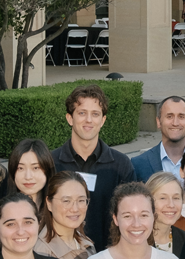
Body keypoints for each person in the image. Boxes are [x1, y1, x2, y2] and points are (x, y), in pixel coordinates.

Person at [52, 84, 138, 247]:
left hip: (108, 257)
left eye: (95, 114)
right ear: (70, 118)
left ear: (103, 120)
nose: (89, 120)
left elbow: (129, 215)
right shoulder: (51, 162)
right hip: (58, 256)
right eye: (82, 113)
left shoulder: (121, 165)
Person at [129, 95, 185, 180]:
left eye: (181, 116)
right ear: (158, 122)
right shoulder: (139, 164)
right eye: (169, 116)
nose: (175, 123)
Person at [38, 172, 95, 259]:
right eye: (66, 201)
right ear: (49, 203)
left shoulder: (87, 243)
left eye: (81, 200)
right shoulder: (42, 252)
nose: (75, 209)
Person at [148, 171, 185, 259]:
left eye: (176, 198)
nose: (171, 205)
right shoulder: (137, 239)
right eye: (163, 198)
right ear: (148, 201)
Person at [3, 139, 55, 213]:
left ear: (47, 170)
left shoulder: (59, 210)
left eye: (35, 168)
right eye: (20, 168)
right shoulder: (3, 211)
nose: (28, 177)